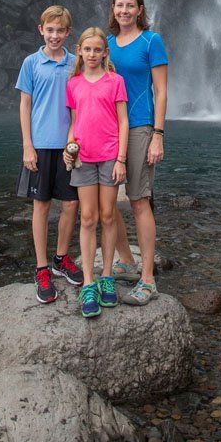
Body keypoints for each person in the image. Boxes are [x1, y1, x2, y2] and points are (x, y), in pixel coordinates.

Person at [15, 4, 83, 304]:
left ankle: (61, 258)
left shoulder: (75, 63)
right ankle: (41, 268)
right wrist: (27, 145)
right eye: (49, 30)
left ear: (68, 33)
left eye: (60, 30)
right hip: (40, 145)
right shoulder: (31, 62)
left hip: (68, 145)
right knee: (41, 206)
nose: (54, 35)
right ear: (41, 29)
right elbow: (24, 105)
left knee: (70, 205)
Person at [107, 0, 168, 306]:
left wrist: (158, 134)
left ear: (140, 9)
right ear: (113, 9)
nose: (125, 10)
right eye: (120, 5)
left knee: (139, 200)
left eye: (131, 5)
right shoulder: (104, 45)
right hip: (108, 130)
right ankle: (126, 262)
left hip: (141, 126)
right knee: (107, 201)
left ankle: (148, 279)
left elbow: (161, 91)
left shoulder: (151, 41)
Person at [64, 27, 128, 319]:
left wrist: (121, 159)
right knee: (87, 218)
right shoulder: (74, 84)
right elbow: (74, 123)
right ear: (79, 50)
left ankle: (107, 277)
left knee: (107, 215)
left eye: (97, 50)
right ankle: (88, 281)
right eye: (87, 49)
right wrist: (69, 147)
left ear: (105, 53)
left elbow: (123, 122)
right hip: (84, 158)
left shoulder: (115, 81)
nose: (92, 54)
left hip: (109, 157)